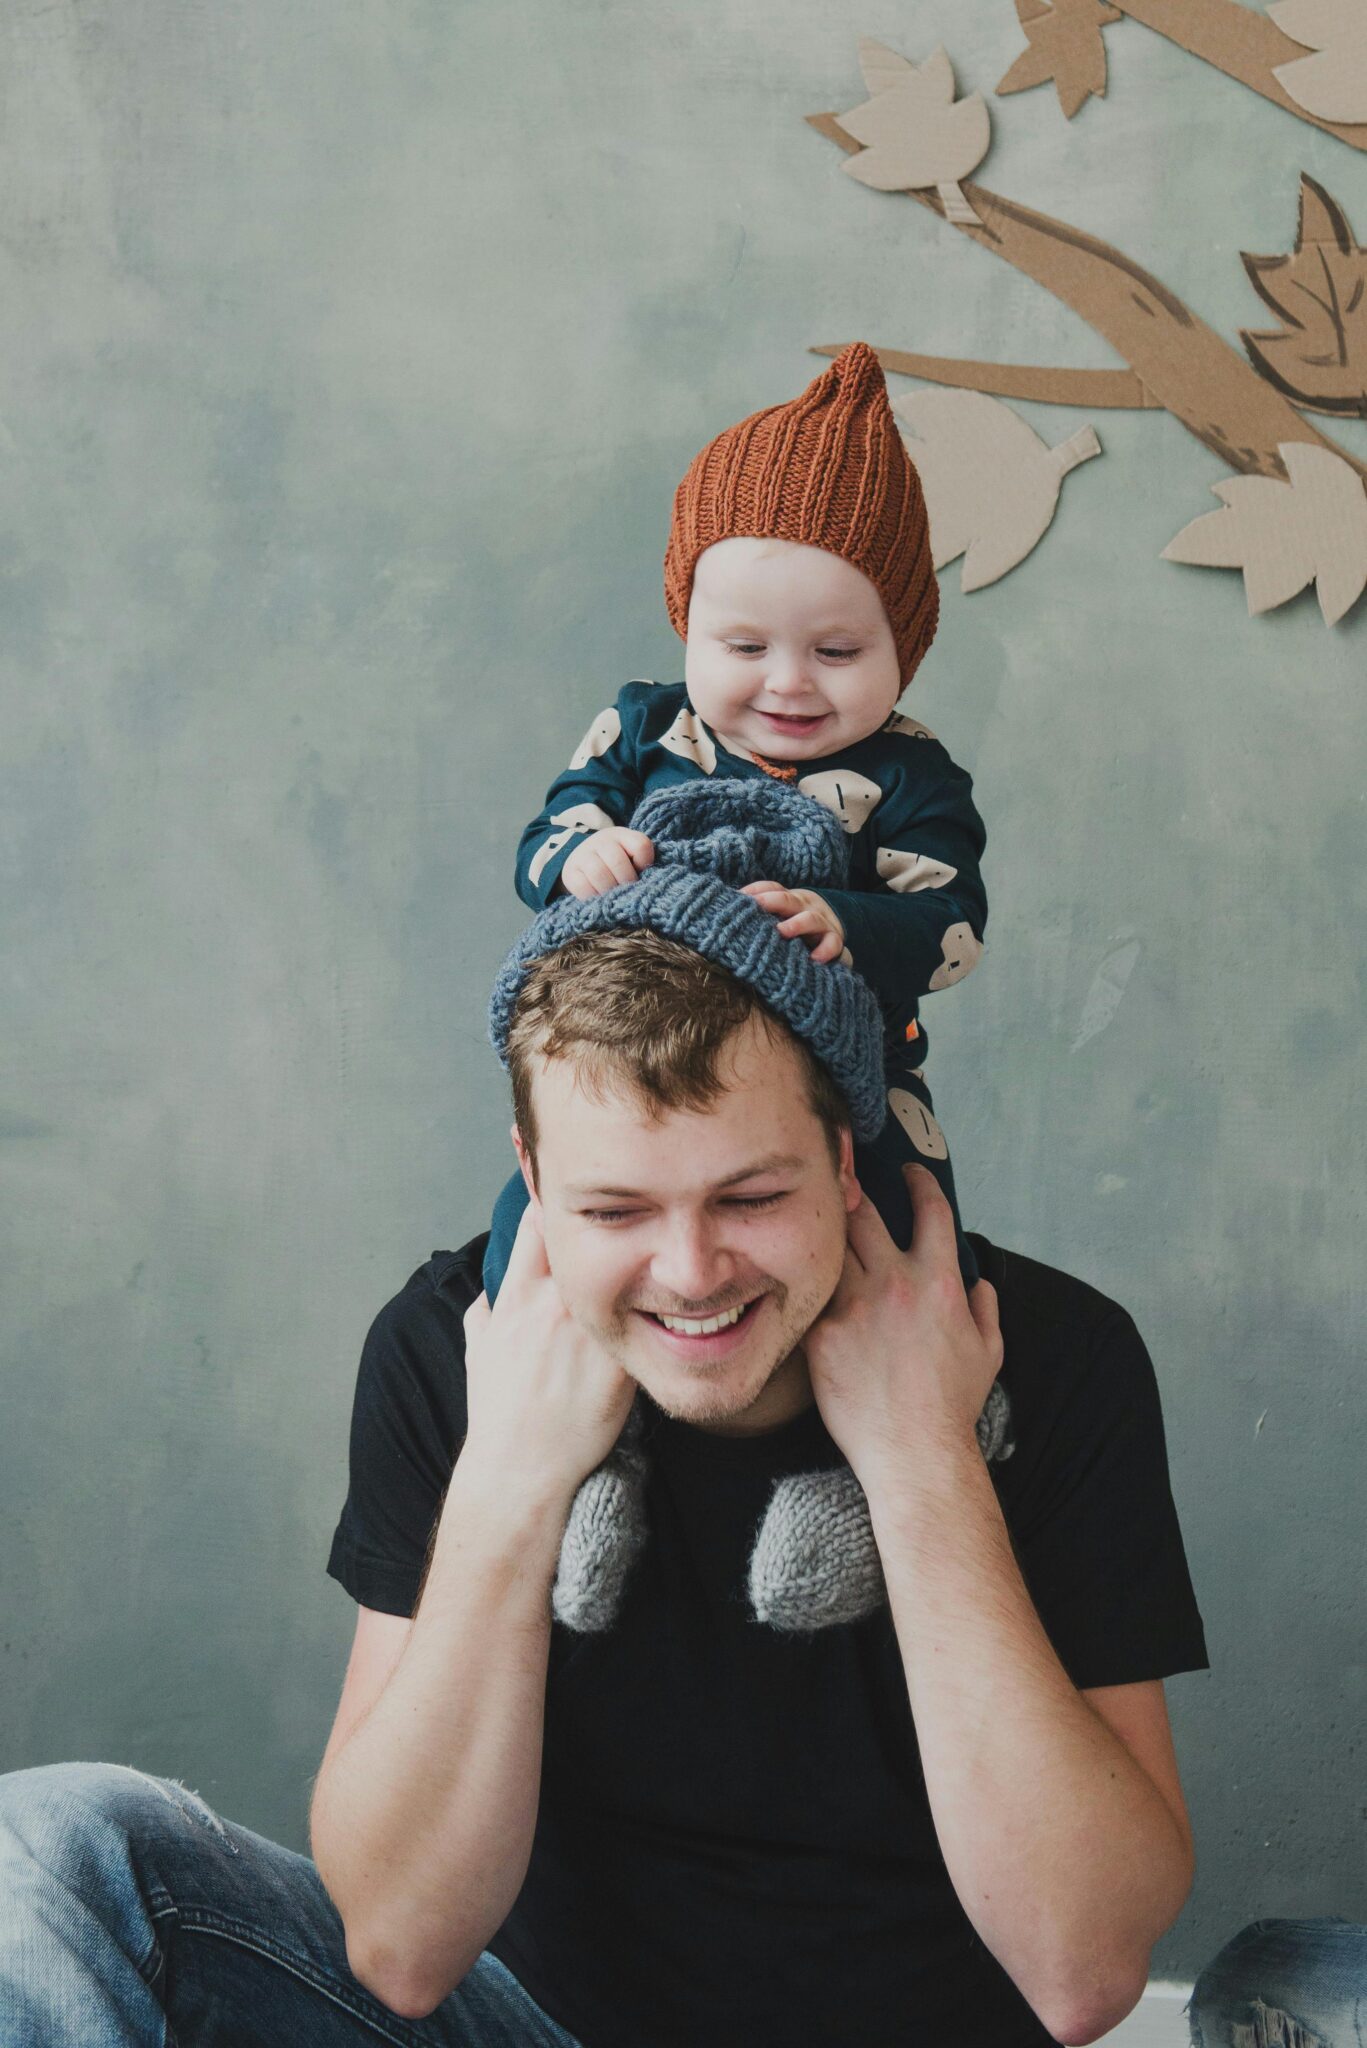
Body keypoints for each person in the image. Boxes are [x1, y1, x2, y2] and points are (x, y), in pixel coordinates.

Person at [0, 919, 1210, 2048]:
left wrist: (920, 1456)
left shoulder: (1036, 1354)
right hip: (525, 2024)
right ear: (530, 1172)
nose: (690, 1273)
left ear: (846, 1152)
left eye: (750, 1195)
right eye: (614, 1208)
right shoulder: (450, 1343)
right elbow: (403, 1946)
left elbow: (1082, 1968)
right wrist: (512, 1473)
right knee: (44, 1848)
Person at [482, 340, 988, 1310]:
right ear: (685, 624)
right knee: (535, 1218)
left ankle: (924, 1390)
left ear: (905, 646)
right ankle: (541, 1376)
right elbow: (547, 832)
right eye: (743, 644)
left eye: (835, 648)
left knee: (909, 1218)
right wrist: (579, 854)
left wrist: (847, 920)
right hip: (623, 1057)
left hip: (843, 1074)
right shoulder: (641, 726)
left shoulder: (910, 774)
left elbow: (953, 928)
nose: (788, 680)